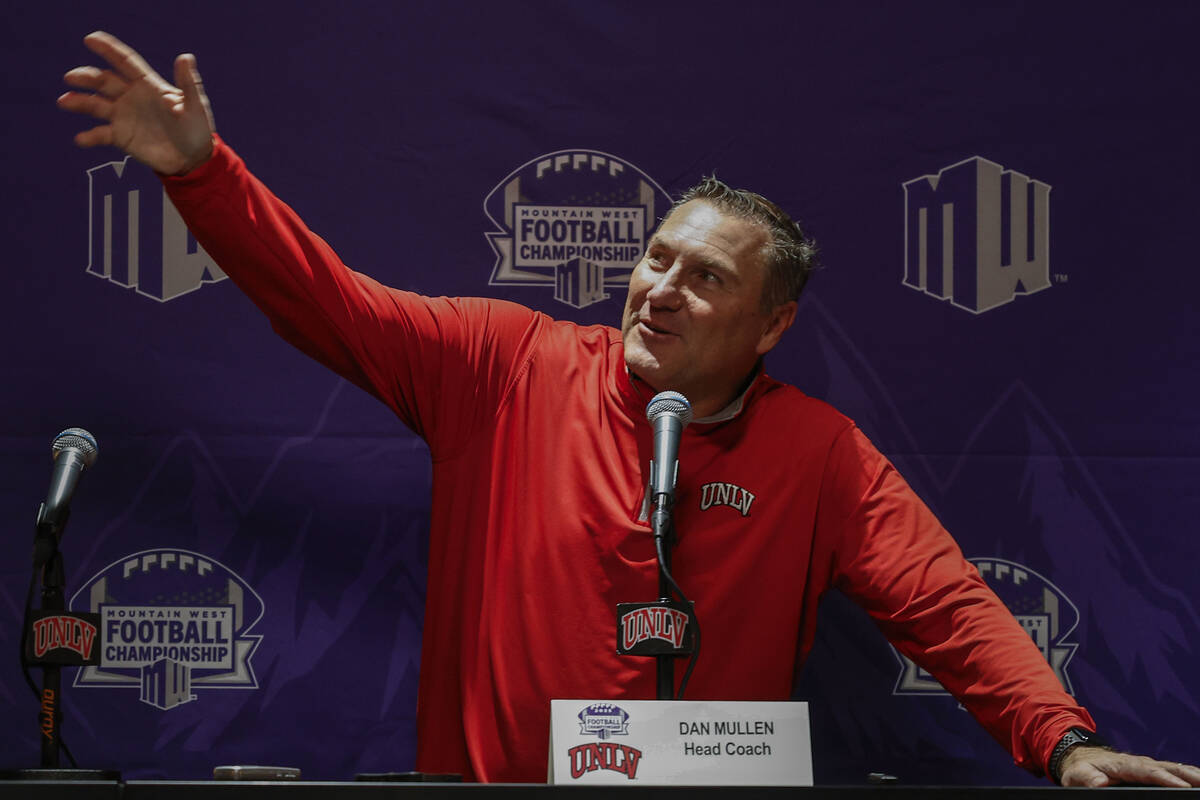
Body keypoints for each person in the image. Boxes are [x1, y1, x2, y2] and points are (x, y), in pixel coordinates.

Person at [57, 31, 1200, 788]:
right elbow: (324, 300)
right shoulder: (505, 364)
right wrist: (201, 174)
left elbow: (946, 601)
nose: (660, 288)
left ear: (771, 325)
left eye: (705, 277)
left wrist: (1063, 738)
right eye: (656, 258)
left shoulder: (820, 453)